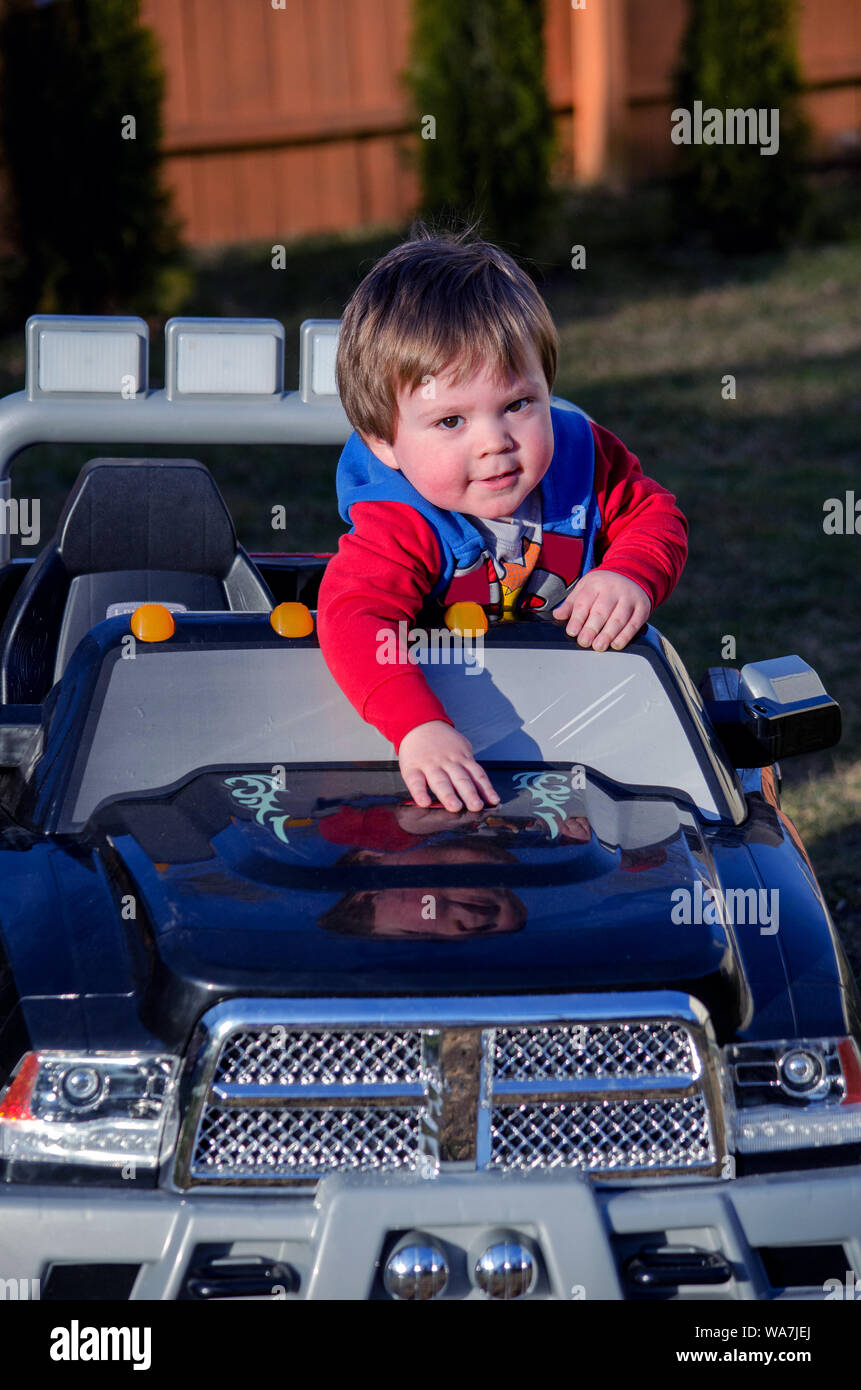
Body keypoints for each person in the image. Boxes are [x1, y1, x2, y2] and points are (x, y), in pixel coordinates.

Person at [317, 224, 688, 815]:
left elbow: (653, 513)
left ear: (547, 388)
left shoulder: (581, 461)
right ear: (384, 441)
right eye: (450, 422)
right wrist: (417, 728)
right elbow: (354, 619)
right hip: (445, 748)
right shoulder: (400, 524)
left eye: (517, 405)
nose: (495, 443)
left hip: (577, 735)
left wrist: (629, 572)